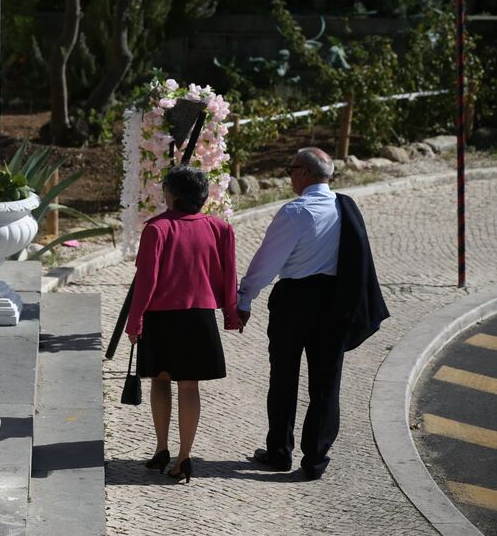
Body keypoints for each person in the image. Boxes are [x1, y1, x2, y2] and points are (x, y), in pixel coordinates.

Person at [237, 147, 388, 480]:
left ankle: (280, 451)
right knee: (326, 383)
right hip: (334, 302)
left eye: (290, 170)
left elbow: (267, 262)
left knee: (283, 377)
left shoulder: (295, 212)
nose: (289, 176)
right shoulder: (345, 207)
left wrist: (244, 298)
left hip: (294, 301)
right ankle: (316, 458)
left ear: (304, 173)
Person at [126, 166, 243, 483]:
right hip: (199, 317)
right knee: (189, 386)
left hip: (161, 316)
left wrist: (134, 321)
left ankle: (161, 447)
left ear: (172, 195)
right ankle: (184, 456)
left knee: (160, 380)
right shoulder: (220, 229)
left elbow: (146, 281)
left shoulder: (157, 229)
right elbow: (229, 275)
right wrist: (231, 314)